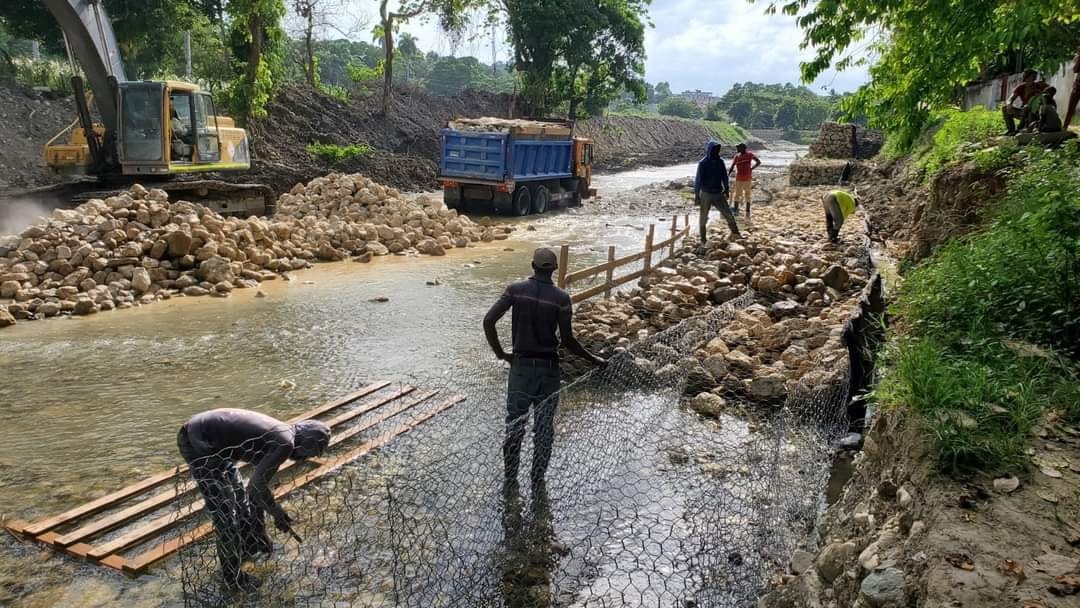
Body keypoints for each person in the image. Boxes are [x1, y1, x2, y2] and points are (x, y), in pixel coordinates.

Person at [483, 248, 606, 493]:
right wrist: (594, 359)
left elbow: (488, 321)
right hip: (549, 372)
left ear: (533, 265)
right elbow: (568, 341)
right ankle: (538, 482)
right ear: (555, 269)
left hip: (521, 370)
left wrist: (501, 354)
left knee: (515, 425)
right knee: (544, 428)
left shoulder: (516, 289)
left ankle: (510, 480)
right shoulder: (561, 298)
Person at [177, 409, 331, 591]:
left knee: (240, 499)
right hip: (199, 443)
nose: (305, 459)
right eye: (311, 453)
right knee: (226, 516)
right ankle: (232, 579)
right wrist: (277, 512)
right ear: (307, 443)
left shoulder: (279, 437)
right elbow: (256, 487)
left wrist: (259, 530)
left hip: (216, 445)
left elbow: (255, 492)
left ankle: (250, 544)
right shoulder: (285, 444)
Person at [694, 141, 740, 242]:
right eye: (714, 150)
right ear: (710, 150)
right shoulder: (703, 163)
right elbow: (698, 180)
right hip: (706, 194)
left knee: (728, 214)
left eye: (717, 150)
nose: (716, 152)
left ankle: (736, 233)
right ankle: (703, 239)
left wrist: (726, 188)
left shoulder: (720, 162)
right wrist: (697, 195)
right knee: (703, 217)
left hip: (718, 193)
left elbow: (724, 176)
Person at [1003, 69, 1048, 135]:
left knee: (1027, 108)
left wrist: (1043, 89)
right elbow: (1011, 98)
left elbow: (1051, 91)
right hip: (1023, 112)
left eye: (1034, 77)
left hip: (1035, 113)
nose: (1033, 79)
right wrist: (1009, 105)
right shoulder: (1021, 87)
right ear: (1026, 78)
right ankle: (1011, 130)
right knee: (1005, 108)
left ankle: (1020, 128)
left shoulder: (1039, 86)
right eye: (1032, 77)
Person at [728, 143, 761, 218]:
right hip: (740, 178)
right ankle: (737, 211)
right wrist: (728, 175)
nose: (737, 149)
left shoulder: (749, 155)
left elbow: (758, 162)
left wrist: (751, 168)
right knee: (738, 195)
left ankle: (746, 211)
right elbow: (732, 166)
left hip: (745, 178)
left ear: (743, 148)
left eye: (738, 148)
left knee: (746, 195)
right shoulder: (737, 156)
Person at [1065, 48, 1080, 129]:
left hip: (1077, 86)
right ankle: (1065, 127)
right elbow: (1075, 70)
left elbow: (1075, 69)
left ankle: (1065, 127)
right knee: (1070, 109)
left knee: (1070, 109)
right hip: (1077, 86)